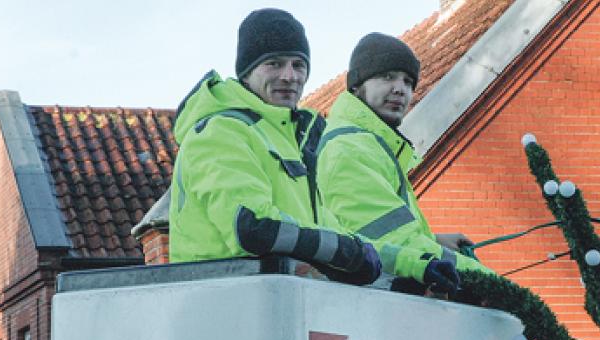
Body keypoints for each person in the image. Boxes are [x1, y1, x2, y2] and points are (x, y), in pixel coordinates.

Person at [169, 10, 455, 292]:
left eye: (298, 65)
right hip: (220, 307)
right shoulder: (220, 131)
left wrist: (417, 265)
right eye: (274, 63)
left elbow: (331, 232)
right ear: (246, 71)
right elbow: (252, 226)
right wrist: (347, 253)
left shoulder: (294, 142)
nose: (289, 76)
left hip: (279, 304)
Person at [316, 32, 489, 295]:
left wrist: (433, 240)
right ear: (356, 85)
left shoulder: (371, 144)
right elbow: (392, 242)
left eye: (408, 82)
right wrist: (492, 283)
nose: (400, 89)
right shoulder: (349, 148)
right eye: (387, 76)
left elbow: (377, 233)